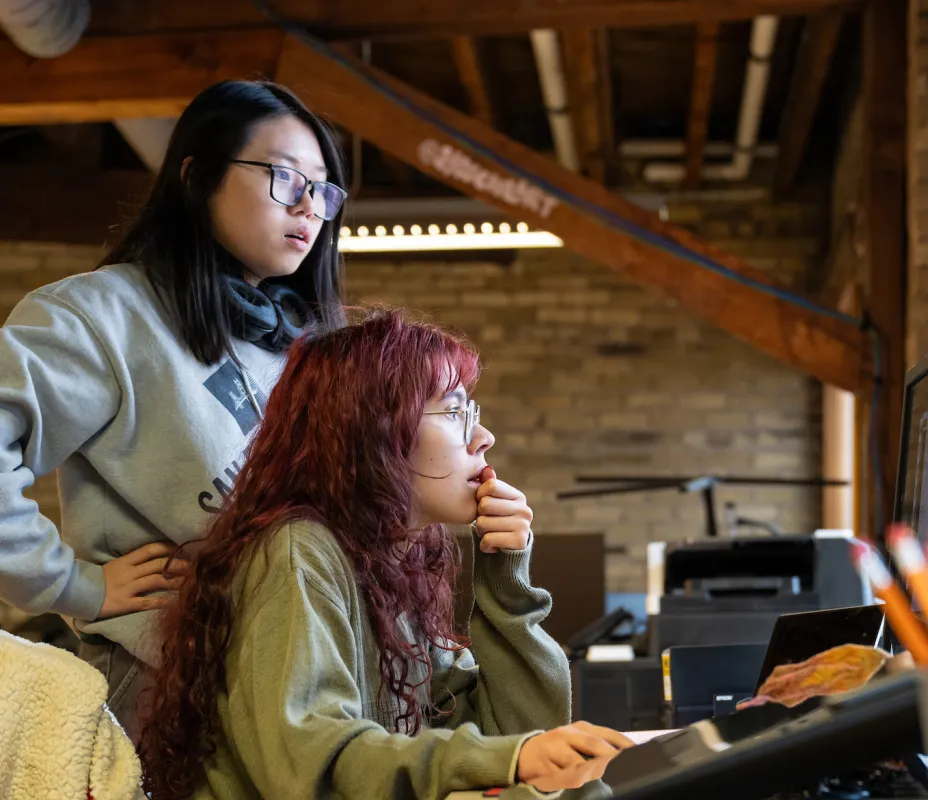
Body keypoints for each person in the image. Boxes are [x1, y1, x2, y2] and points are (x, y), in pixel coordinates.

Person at [137, 310, 633, 799]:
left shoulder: (390, 566)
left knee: (582, 792)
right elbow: (308, 766)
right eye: (454, 412)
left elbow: (521, 739)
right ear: (373, 431)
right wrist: (506, 759)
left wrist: (506, 579)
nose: (484, 438)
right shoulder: (298, 553)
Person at [0, 80, 347, 733]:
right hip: (167, 690)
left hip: (300, 686)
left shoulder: (301, 341)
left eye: (324, 190)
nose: (310, 206)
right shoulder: (100, 315)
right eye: (285, 177)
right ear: (197, 177)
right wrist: (70, 584)